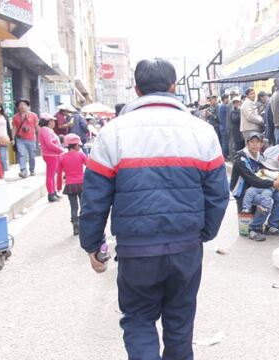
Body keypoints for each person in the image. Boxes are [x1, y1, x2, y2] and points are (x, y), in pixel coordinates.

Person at [80, 58, 229, 358]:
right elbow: (218, 194)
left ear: (136, 89)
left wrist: (93, 245)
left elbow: (94, 198)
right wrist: (205, 232)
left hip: (137, 250)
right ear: (173, 87)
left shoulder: (113, 133)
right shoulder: (202, 132)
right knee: (180, 324)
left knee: (137, 320)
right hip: (186, 247)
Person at [230, 131, 279, 241]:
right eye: (252, 142)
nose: (255, 144)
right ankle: (254, 229)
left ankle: (272, 226)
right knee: (267, 200)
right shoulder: (241, 160)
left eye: (258, 142)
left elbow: (270, 170)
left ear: (261, 144)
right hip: (244, 192)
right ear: (247, 143)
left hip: (257, 188)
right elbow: (253, 180)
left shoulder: (260, 157)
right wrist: (272, 183)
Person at [59, 133, 87, 235]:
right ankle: (82, 223)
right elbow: (89, 166)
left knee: (73, 207)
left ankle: (75, 224)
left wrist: (58, 186)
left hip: (70, 185)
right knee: (83, 204)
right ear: (75, 145)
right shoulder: (81, 155)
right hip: (81, 183)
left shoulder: (62, 157)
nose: (80, 146)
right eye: (79, 145)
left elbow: (59, 173)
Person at [38, 113, 64, 202]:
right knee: (50, 176)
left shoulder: (48, 130)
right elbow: (49, 144)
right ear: (48, 122)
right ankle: (51, 194)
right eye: (52, 121)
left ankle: (53, 192)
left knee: (52, 176)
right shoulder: (45, 130)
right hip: (50, 155)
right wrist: (61, 150)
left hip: (53, 155)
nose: (54, 123)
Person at [12, 99, 39, 178]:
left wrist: (41, 137)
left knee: (32, 155)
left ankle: (32, 169)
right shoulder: (15, 117)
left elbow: (37, 126)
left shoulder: (33, 115)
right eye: (20, 105)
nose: (23, 106)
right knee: (22, 154)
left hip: (31, 138)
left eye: (24, 104)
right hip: (20, 139)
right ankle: (23, 170)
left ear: (28, 106)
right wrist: (13, 139)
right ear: (18, 107)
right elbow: (14, 128)